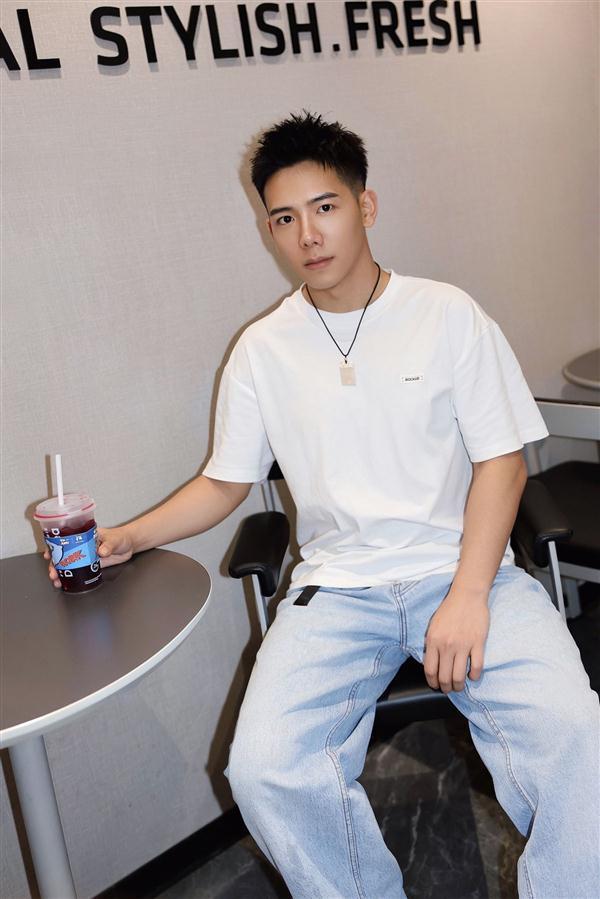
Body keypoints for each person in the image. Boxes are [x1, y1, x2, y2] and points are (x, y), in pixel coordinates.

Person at [46, 112, 599, 898]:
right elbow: (224, 481)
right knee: (263, 767)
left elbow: (502, 464)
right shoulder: (262, 350)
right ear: (268, 230)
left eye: (325, 207)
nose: (307, 234)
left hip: (462, 568)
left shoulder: (446, 315)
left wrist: (469, 593)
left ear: (365, 206)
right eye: (283, 218)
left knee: (576, 732)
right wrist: (130, 536)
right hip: (337, 591)